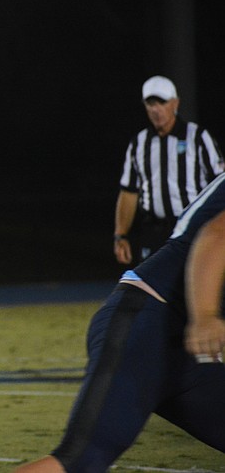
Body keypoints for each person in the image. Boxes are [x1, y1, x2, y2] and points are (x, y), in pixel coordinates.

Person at [14, 175, 225, 472]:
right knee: (81, 460)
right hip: (146, 324)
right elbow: (216, 235)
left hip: (184, 349)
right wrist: (204, 316)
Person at [113, 75, 224, 265]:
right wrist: (120, 235)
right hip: (154, 231)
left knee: (191, 289)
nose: (156, 109)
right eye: (151, 103)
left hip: (191, 227)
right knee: (149, 290)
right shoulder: (139, 143)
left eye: (162, 102)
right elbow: (129, 192)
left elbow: (220, 184)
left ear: (175, 103)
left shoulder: (197, 137)